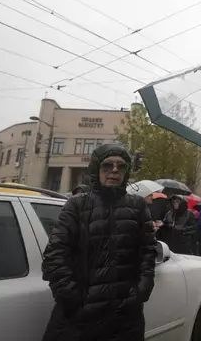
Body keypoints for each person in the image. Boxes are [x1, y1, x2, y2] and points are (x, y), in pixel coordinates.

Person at [41, 144, 157, 341]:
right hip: (81, 320)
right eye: (107, 165)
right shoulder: (77, 205)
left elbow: (148, 251)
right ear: (96, 169)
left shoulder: (137, 206)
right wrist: (74, 300)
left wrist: (141, 291)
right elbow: (55, 256)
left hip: (126, 318)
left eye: (121, 167)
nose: (114, 171)